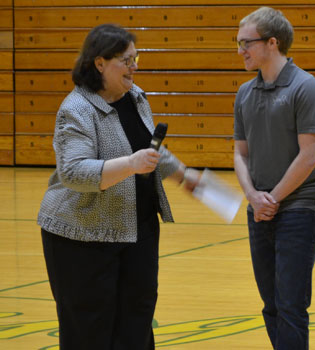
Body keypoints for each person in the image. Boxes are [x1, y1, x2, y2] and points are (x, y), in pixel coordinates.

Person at [37, 24, 199, 349]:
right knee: (89, 329)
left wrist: (183, 174)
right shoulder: (77, 109)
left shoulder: (135, 97)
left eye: (135, 58)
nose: (134, 66)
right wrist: (130, 165)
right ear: (100, 63)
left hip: (136, 229)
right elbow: (74, 172)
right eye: (126, 60)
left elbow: (148, 148)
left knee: (137, 322)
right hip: (81, 236)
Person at [232, 7, 315, 349]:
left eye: (247, 43)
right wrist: (254, 196)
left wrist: (272, 198)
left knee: (290, 305)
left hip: (299, 208)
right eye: (239, 42)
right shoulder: (245, 93)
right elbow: (240, 154)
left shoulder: (306, 87)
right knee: (271, 305)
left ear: (273, 43)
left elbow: (308, 156)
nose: (241, 50)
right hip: (259, 209)